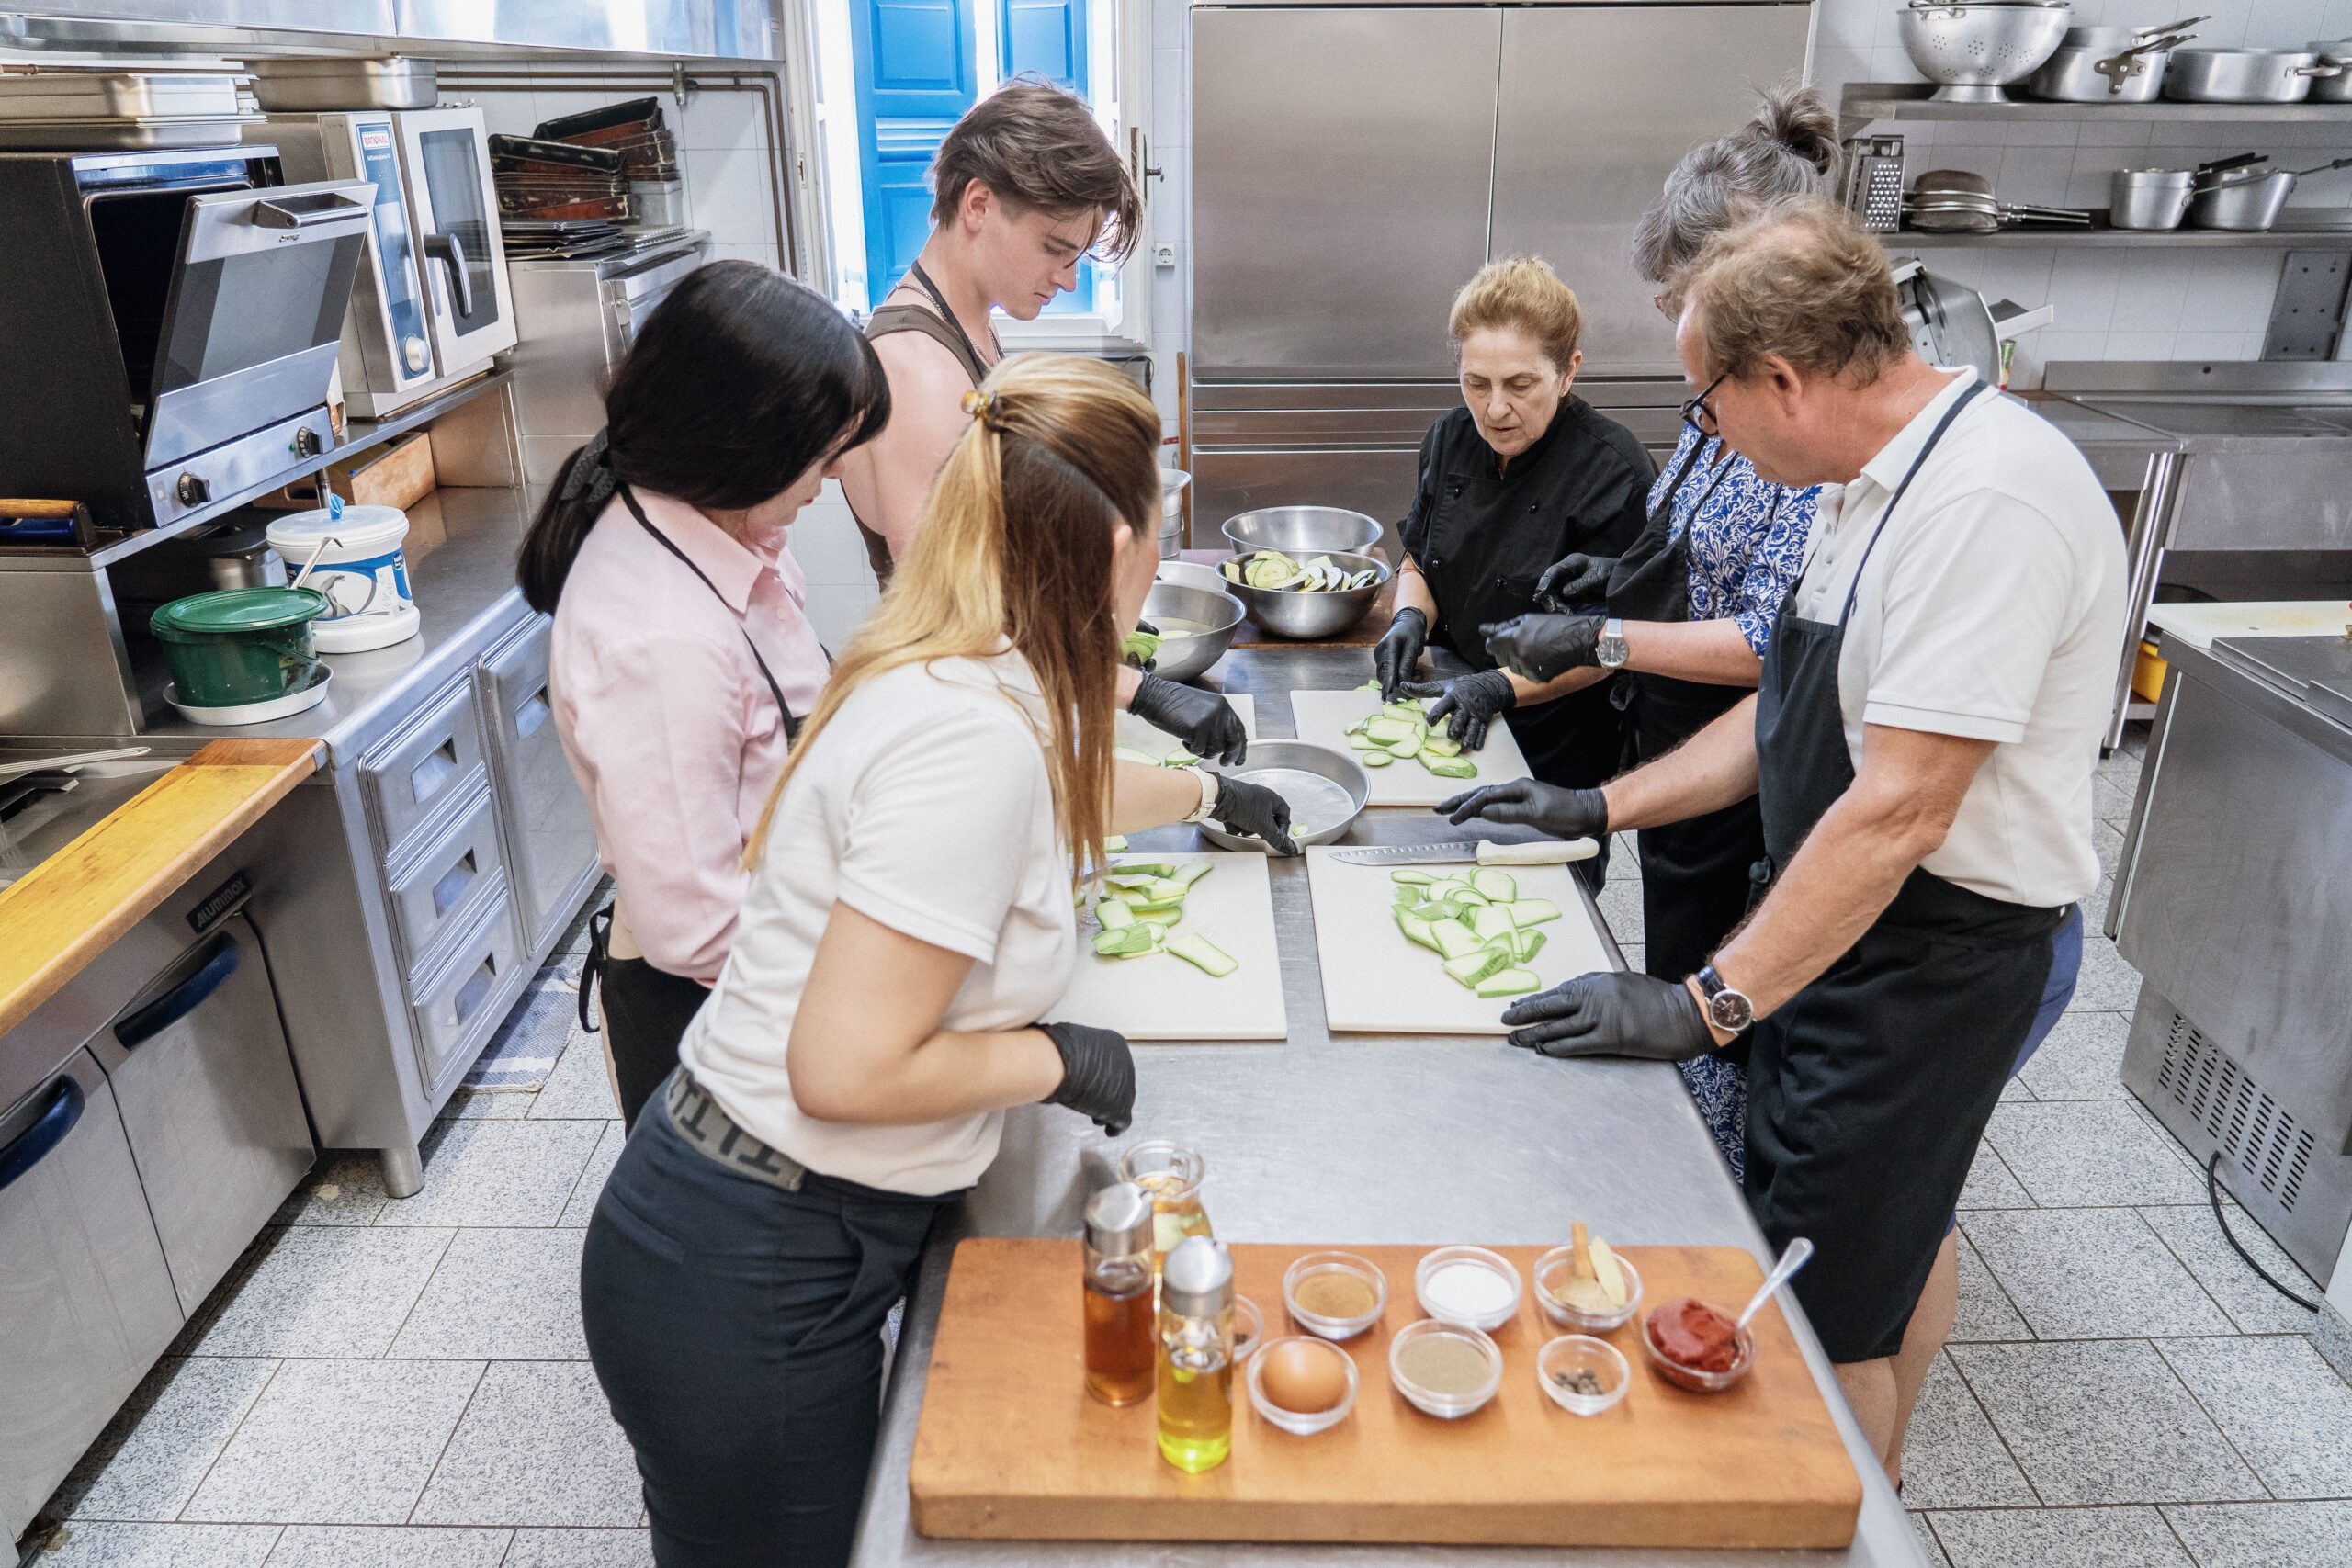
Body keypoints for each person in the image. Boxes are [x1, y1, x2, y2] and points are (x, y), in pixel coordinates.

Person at [1444, 197, 2123, 1483]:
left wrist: (1704, 1002)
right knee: (1888, 1230)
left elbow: (1903, 806)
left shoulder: (1987, 504)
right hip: (1852, 913)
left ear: (1784, 379)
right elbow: (1789, 712)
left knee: (1820, 1316)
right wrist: (1601, 809)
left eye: (1708, 401)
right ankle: (1886, 1476)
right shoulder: (1863, 486)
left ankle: (1845, 1506)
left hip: (1932, 953)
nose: (1707, 432)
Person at [579, 354, 1297, 1568]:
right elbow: (844, 1071)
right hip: (754, 1257)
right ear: (1120, 543)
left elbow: (1051, 781)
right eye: (1161, 542)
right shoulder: (971, 734)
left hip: (754, 1216)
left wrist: (1212, 788)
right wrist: (1051, 1054)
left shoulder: (960, 656)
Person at [526, 261, 889, 1131]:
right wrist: (889, 969)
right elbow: (698, 929)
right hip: (724, 1012)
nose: (836, 474)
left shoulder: (740, 533)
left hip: (787, 959)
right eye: (824, 450)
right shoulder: (660, 637)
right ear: (742, 442)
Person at [837, 78, 1245, 765]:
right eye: (1056, 248)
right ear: (977, 204)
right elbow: (957, 625)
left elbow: (1003, 549)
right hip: (958, 733)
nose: (1066, 278)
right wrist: (1130, 687)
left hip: (1006, 704)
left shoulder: (970, 329)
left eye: (1076, 256)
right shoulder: (917, 372)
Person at [1371, 256, 1653, 887]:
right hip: (1449, 717)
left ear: (1568, 370)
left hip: (1554, 746)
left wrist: (1499, 687)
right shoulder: (1449, 439)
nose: (1494, 408)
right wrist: (1411, 612)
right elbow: (1423, 552)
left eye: (1520, 385)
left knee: (1540, 902)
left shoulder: (1613, 470)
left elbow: (1614, 639)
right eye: (1476, 383)